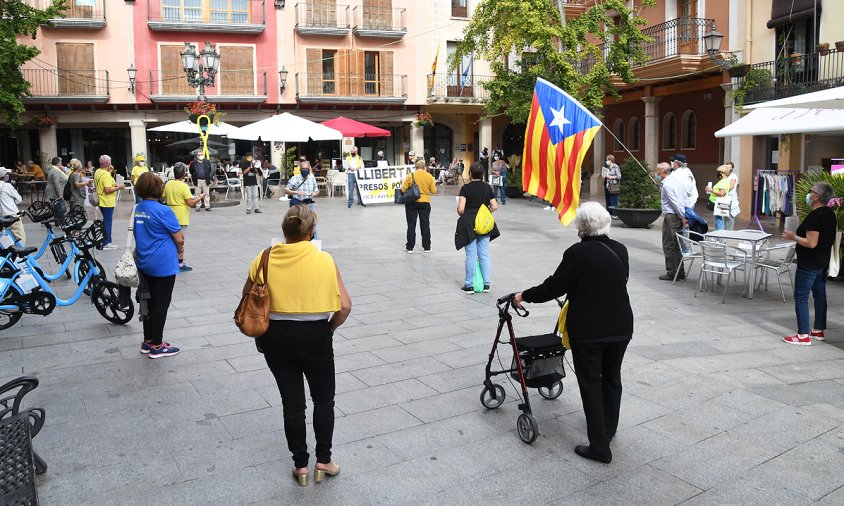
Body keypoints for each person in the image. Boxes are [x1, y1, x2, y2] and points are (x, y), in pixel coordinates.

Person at [513, 202, 633, 464]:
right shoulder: (620, 250)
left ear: (582, 226)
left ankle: (599, 447)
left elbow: (553, 287)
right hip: (621, 327)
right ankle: (608, 429)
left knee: (590, 382)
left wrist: (524, 296)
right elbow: (620, 279)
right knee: (612, 379)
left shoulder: (578, 253)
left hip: (589, 331)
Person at [246, 205, 351, 486]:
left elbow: (248, 296)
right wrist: (328, 329)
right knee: (323, 399)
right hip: (316, 335)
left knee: (292, 404)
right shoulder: (324, 259)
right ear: (311, 231)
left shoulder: (265, 257)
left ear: (285, 231)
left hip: (275, 338)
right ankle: (323, 461)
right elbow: (345, 307)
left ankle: (300, 466)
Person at [133, 172, 184, 359]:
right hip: (163, 265)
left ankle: (148, 340)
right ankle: (157, 345)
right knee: (161, 304)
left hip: (144, 262)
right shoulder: (163, 210)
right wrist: (180, 251)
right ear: (158, 188)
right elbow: (179, 238)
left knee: (148, 302)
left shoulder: (139, 208)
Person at [782, 182, 837, 346]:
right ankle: (818, 330)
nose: (808, 194)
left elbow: (811, 242)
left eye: (810, 192)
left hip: (809, 263)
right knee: (820, 295)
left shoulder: (815, 216)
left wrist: (794, 237)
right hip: (821, 261)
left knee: (801, 296)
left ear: (817, 196)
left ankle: (803, 335)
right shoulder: (829, 213)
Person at [456, 162, 499, 293]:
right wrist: (486, 211)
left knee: (471, 255)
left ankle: (469, 285)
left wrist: (463, 212)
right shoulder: (487, 188)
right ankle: (486, 284)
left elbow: (461, 209)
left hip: (469, 224)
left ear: (469, 174)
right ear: (483, 175)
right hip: (484, 224)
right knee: (484, 255)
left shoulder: (466, 188)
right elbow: (495, 206)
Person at [163, 162, 205, 272]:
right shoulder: (184, 186)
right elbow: (190, 203)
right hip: (181, 215)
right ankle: (180, 263)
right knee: (180, 240)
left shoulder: (168, 184)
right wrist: (200, 197)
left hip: (169, 213)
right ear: (184, 174)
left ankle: (170, 261)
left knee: (170, 239)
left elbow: (163, 198)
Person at [658, 163, 688, 280]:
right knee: (677, 244)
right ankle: (680, 271)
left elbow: (674, 202)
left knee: (669, 244)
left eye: (657, 171)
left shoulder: (667, 185)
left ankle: (672, 271)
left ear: (661, 171)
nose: (657, 173)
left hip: (671, 216)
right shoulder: (676, 182)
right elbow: (684, 198)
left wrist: (682, 216)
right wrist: (684, 214)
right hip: (677, 215)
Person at [401, 159, 437, 253]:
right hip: (425, 202)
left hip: (412, 202)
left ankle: (410, 247)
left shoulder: (411, 175)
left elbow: (403, 189)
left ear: (415, 167)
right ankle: (427, 247)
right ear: (424, 167)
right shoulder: (429, 176)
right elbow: (434, 191)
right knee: (425, 224)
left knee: (411, 224)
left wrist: (403, 182)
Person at [94, 155, 124, 250]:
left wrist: (109, 172)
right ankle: (107, 242)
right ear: (108, 163)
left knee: (106, 221)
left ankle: (105, 240)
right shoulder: (106, 174)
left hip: (101, 200)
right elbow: (107, 189)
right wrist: (119, 187)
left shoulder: (98, 172)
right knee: (108, 222)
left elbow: (103, 181)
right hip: (107, 201)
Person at [285, 161, 320, 238]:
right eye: (303, 169)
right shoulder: (295, 178)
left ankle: (314, 242)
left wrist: (315, 193)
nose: (305, 170)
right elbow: (286, 190)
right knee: (297, 223)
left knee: (313, 223)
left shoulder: (312, 178)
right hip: (298, 204)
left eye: (307, 168)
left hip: (309, 203)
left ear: (309, 169)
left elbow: (316, 189)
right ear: (300, 169)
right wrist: (296, 192)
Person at [705, 165, 739, 231]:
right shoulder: (724, 181)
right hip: (718, 203)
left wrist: (711, 190)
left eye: (719, 172)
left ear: (723, 173)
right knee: (719, 220)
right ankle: (720, 237)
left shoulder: (724, 182)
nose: (718, 174)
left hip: (718, 203)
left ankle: (719, 238)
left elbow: (721, 193)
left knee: (718, 222)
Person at [0, 168, 25, 244]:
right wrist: (12, 201)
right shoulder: (7, 186)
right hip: (12, 215)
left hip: (2, 217)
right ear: (4, 177)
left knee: (6, 239)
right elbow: (19, 199)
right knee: (20, 237)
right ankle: (20, 255)